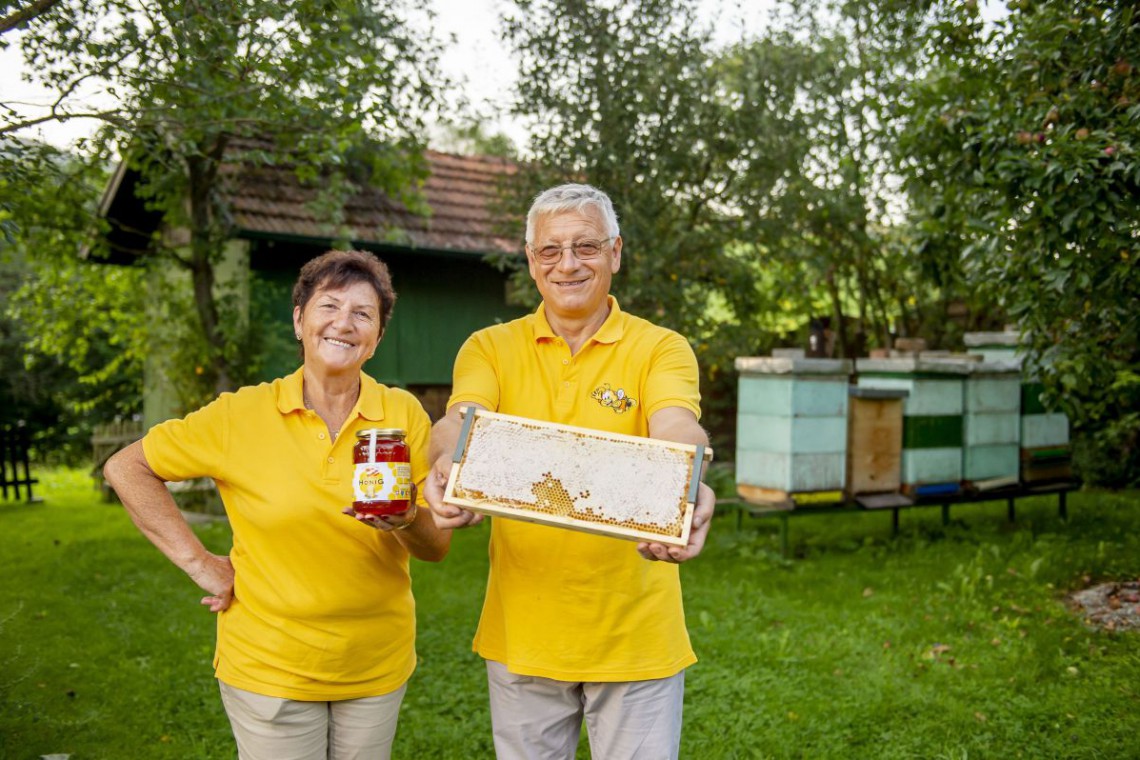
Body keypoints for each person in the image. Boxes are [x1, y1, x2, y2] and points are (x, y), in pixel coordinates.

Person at [104, 249, 449, 760]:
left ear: (377, 338)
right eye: (328, 306)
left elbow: (436, 545)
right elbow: (126, 467)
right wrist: (201, 564)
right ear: (298, 320)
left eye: (363, 314)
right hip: (269, 669)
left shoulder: (402, 413)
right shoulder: (239, 414)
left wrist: (406, 520)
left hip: (375, 666)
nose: (344, 324)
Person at [424, 184, 715, 759]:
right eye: (550, 251)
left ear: (615, 253)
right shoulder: (489, 347)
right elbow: (460, 418)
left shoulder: (661, 348)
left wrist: (686, 480)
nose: (568, 264)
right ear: (532, 261)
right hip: (524, 634)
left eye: (585, 246)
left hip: (636, 637)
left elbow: (677, 425)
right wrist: (445, 462)